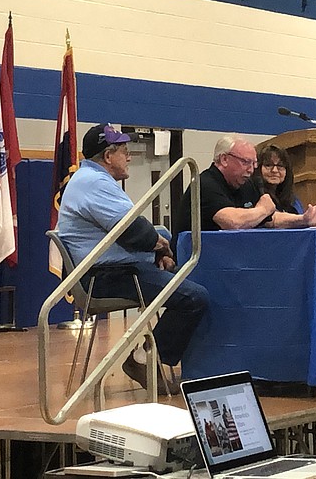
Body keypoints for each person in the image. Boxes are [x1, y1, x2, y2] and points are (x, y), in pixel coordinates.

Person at [57, 123, 208, 395]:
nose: (129, 157)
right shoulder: (94, 183)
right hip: (106, 277)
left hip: (119, 270)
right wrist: (159, 247)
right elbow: (134, 230)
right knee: (194, 297)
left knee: (191, 287)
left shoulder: (91, 181)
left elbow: (137, 232)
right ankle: (143, 360)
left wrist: (155, 249)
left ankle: (152, 359)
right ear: (107, 156)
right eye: (125, 151)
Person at [173, 135, 316, 249]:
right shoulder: (205, 184)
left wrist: (303, 219)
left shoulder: (246, 184)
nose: (251, 170)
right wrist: (263, 209)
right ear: (224, 159)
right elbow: (232, 222)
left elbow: (271, 219)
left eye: (254, 164)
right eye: (246, 162)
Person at [255, 144, 303, 214]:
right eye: (268, 165)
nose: (274, 170)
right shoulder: (252, 196)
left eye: (280, 166)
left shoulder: (293, 201)